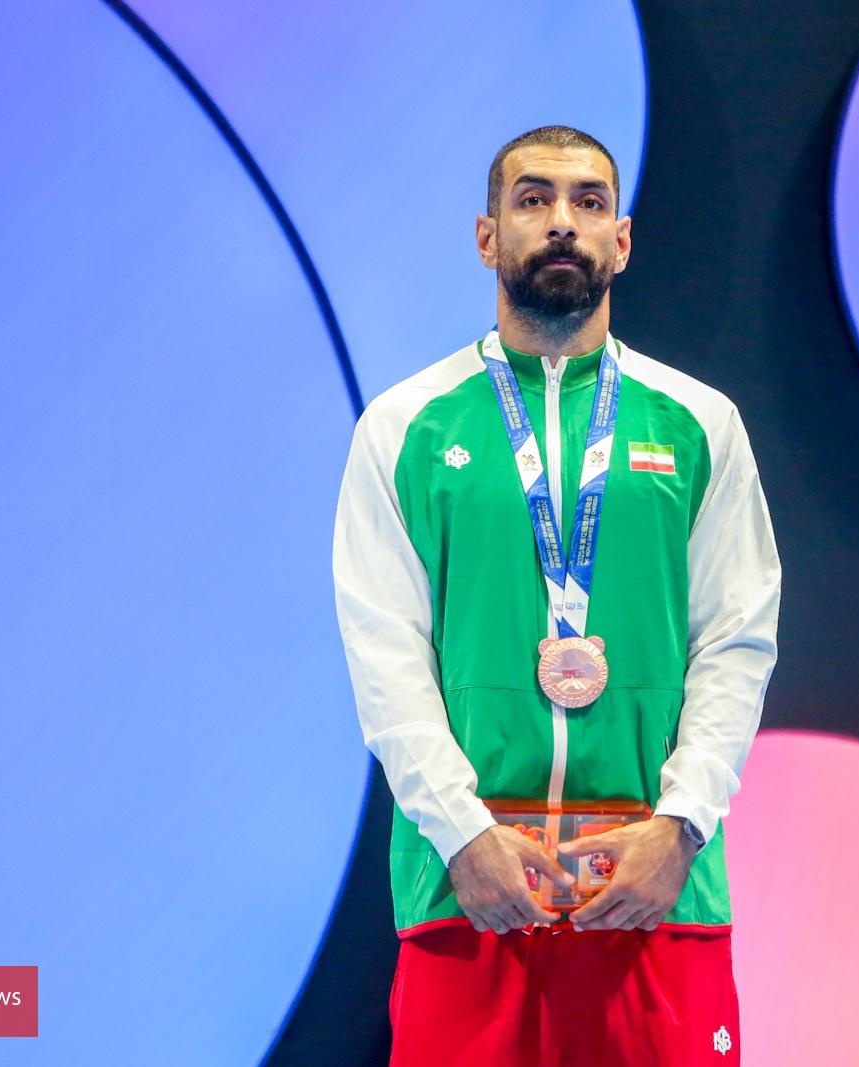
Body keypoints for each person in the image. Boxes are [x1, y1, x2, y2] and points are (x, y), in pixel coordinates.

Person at [332, 125, 780, 1066]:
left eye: (589, 201)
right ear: (487, 236)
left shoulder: (701, 424)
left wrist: (682, 830)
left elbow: (736, 640)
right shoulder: (404, 428)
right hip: (468, 888)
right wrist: (463, 836)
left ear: (623, 238)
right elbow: (386, 658)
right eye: (533, 199)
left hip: (657, 887)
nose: (562, 221)